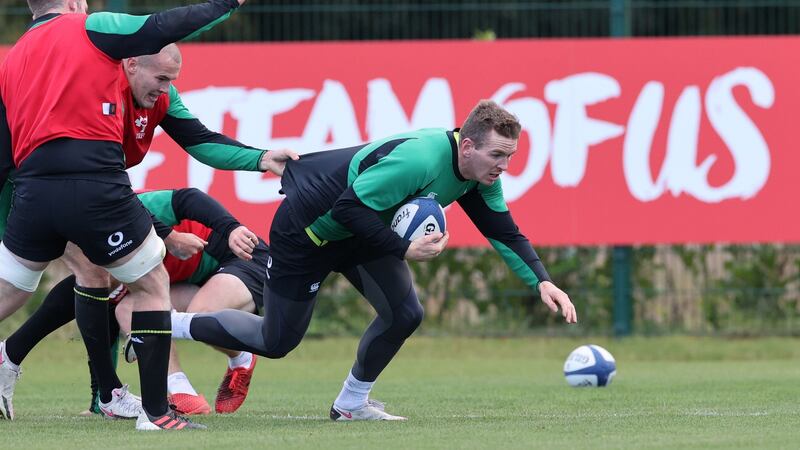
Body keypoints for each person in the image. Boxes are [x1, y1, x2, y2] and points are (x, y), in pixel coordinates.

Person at [169, 100, 578, 421]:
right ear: (467, 145)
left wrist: (541, 280)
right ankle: (166, 322)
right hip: (308, 232)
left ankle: (351, 404)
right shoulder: (421, 159)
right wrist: (402, 249)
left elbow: (503, 230)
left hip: (361, 232)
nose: (504, 167)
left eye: (510, 157)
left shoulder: (477, 175)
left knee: (405, 313)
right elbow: (347, 209)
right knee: (276, 341)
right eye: (498, 155)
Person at [0, 42, 296, 421]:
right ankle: (143, 403)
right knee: (103, 280)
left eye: (172, 80)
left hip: (67, 191)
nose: (166, 87)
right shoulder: (90, 87)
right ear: (131, 64)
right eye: (160, 77)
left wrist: (261, 158)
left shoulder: (159, 98)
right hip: (37, 189)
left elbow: (200, 141)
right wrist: (170, 235)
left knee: (103, 279)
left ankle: (111, 394)